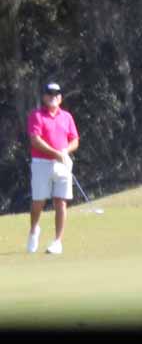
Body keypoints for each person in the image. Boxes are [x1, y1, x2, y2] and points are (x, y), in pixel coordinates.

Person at [26, 83, 79, 255]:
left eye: (56, 94)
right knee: (38, 201)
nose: (53, 96)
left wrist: (65, 151)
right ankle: (34, 229)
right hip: (42, 163)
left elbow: (74, 140)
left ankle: (57, 241)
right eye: (49, 93)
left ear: (61, 97)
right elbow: (35, 140)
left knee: (61, 201)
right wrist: (56, 153)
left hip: (62, 163)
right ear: (44, 97)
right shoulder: (37, 115)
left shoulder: (67, 117)